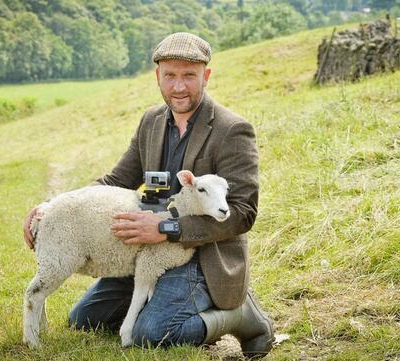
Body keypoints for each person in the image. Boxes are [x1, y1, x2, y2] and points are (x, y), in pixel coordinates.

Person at [23, 32, 274, 358]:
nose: (178, 86)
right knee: (85, 320)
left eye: (189, 76)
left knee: (150, 334)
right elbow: (116, 180)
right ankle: (156, 300)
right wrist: (52, 207)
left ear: (206, 76)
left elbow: (243, 213)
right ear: (158, 76)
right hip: (144, 254)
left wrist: (164, 229)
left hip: (199, 256)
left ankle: (239, 315)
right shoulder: (151, 121)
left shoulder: (232, 129)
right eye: (170, 75)